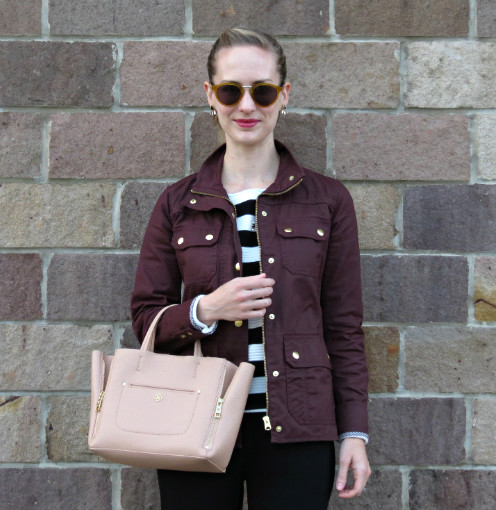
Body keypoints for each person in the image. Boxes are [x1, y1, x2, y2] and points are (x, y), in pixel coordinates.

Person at [130, 27, 371, 510]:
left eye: (261, 91)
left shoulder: (328, 201)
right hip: (193, 424)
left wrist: (354, 433)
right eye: (230, 91)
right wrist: (207, 308)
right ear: (210, 97)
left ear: (283, 96)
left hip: (297, 427)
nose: (246, 105)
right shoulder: (178, 204)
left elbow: (344, 327)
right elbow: (145, 319)